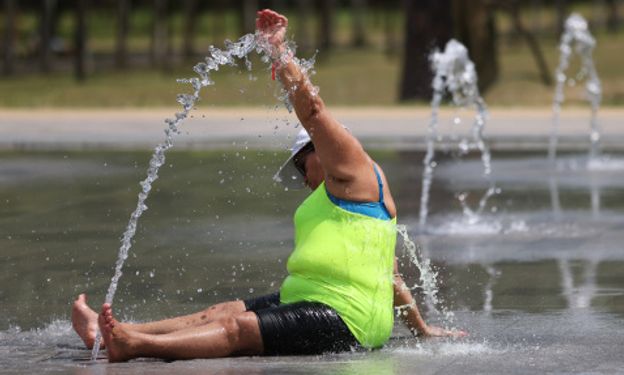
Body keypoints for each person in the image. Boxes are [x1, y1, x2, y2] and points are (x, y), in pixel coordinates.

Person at [71, 9, 465, 362]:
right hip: (313, 299)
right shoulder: (336, 193)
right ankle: (115, 334)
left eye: (299, 166)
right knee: (222, 312)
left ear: (321, 150)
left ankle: (133, 345)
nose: (302, 178)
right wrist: (423, 329)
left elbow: (313, 110)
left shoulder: (354, 170)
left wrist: (279, 52)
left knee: (237, 331)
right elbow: (391, 276)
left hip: (347, 319)